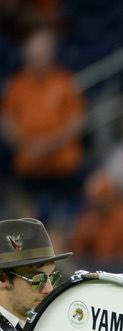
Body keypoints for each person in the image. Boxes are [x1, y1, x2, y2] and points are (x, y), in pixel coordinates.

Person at [0, 27, 85, 213]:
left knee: (63, 220)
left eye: (42, 54)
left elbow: (76, 122)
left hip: (62, 167)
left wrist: (48, 145)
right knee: (27, 224)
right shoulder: (16, 85)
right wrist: (27, 144)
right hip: (29, 167)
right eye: (33, 55)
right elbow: (6, 122)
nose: (37, 60)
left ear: (51, 54)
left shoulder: (64, 81)